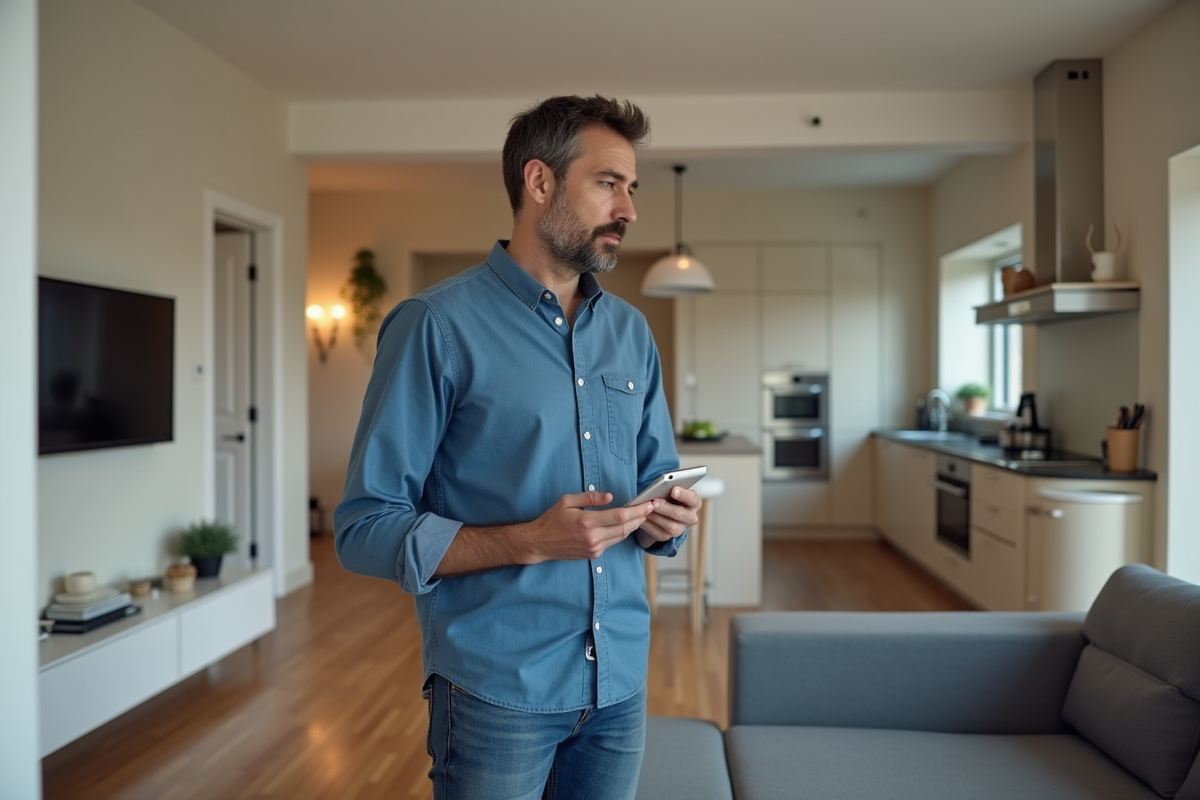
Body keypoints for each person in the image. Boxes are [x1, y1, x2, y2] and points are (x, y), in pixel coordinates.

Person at [334, 95, 701, 800]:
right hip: (496, 691)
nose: (628, 209)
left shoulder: (631, 332)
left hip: (620, 681)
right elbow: (363, 528)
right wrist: (530, 541)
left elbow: (654, 471)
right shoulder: (434, 326)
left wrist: (666, 518)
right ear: (540, 183)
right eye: (607, 183)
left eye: (632, 188)